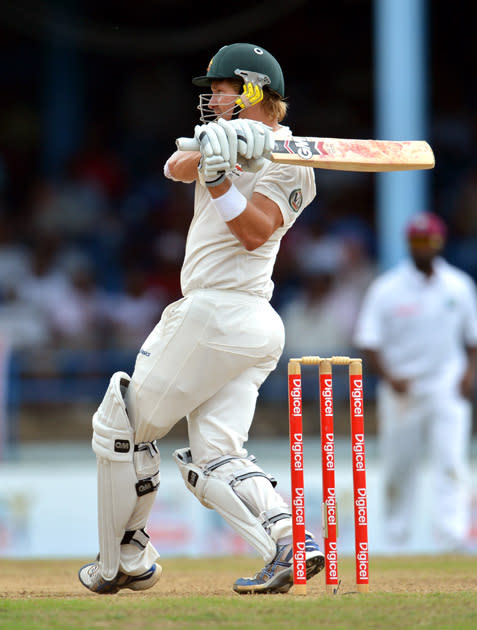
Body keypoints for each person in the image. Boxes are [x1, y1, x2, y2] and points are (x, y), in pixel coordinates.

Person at [79, 43, 324, 595]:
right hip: (238, 323)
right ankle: (290, 543)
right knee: (214, 458)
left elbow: (256, 230)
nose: (210, 98)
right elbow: (173, 166)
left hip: (223, 310)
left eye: (221, 89)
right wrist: (220, 145)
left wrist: (221, 179)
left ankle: (124, 558)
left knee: (119, 426)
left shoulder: (293, 159)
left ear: (255, 92)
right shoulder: (223, 135)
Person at [353, 212, 477, 552]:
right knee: (399, 467)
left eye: (429, 240)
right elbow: (368, 340)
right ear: (409, 244)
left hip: (447, 386)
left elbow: (474, 338)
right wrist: (390, 377)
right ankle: (397, 541)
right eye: (417, 241)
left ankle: (452, 539)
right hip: (402, 389)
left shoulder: (459, 285)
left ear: (440, 242)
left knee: (451, 463)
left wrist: (469, 374)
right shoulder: (388, 289)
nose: (423, 246)